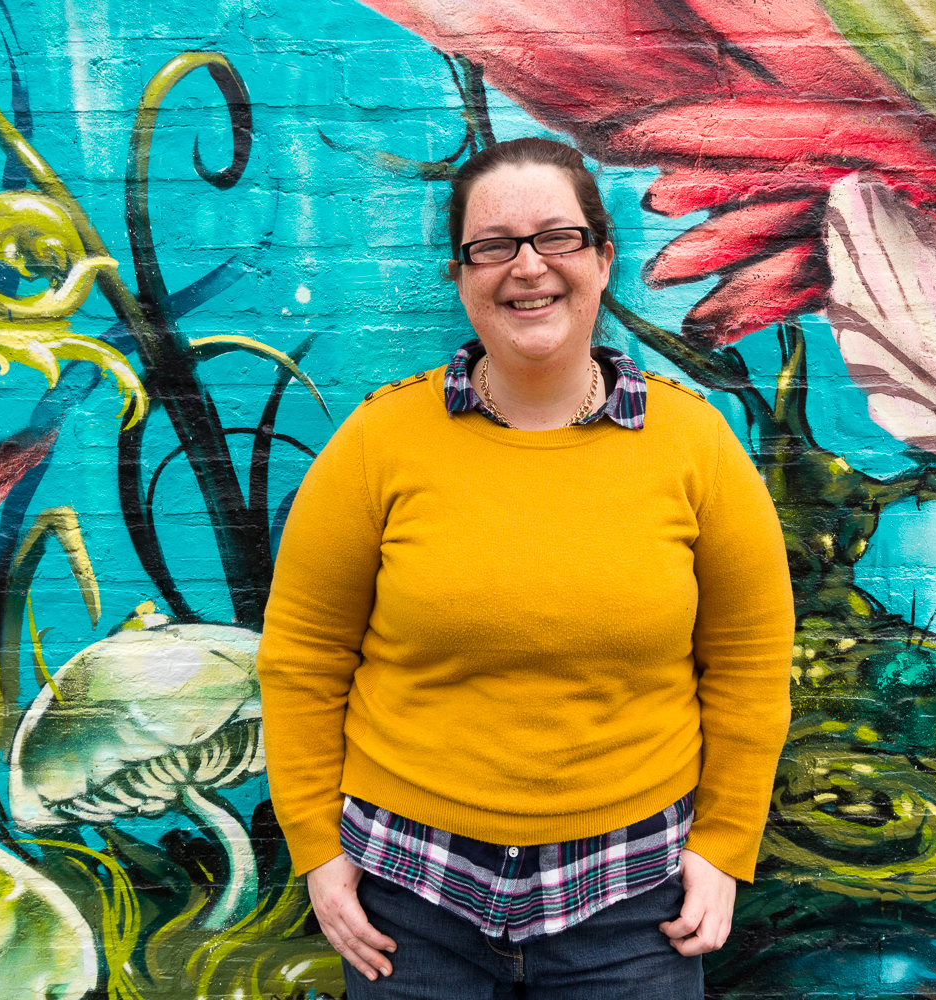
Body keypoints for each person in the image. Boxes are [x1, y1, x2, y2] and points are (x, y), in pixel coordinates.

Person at [256, 136, 795, 999]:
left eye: (559, 237)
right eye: (493, 246)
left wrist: (725, 848)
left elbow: (750, 663)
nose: (528, 268)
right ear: (461, 274)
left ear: (604, 257)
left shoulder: (697, 449)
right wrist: (318, 851)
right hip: (410, 908)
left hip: (634, 908)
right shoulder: (378, 445)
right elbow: (303, 658)